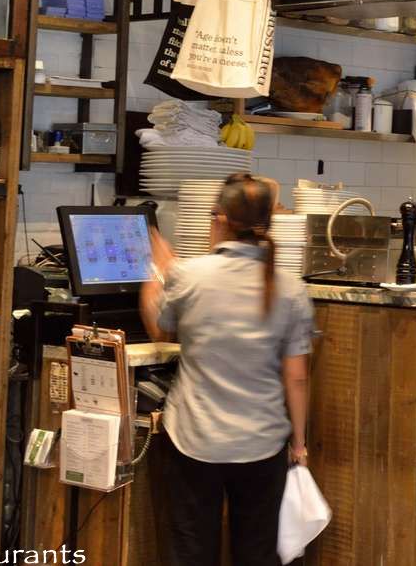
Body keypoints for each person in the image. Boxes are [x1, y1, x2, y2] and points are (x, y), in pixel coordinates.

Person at [139, 172, 315, 566]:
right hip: (262, 442)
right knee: (257, 553)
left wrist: (158, 271)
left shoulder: (189, 274)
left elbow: (159, 328)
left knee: (190, 551)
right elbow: (297, 376)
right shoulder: (290, 288)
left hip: (195, 438)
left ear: (220, 219)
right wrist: (299, 445)